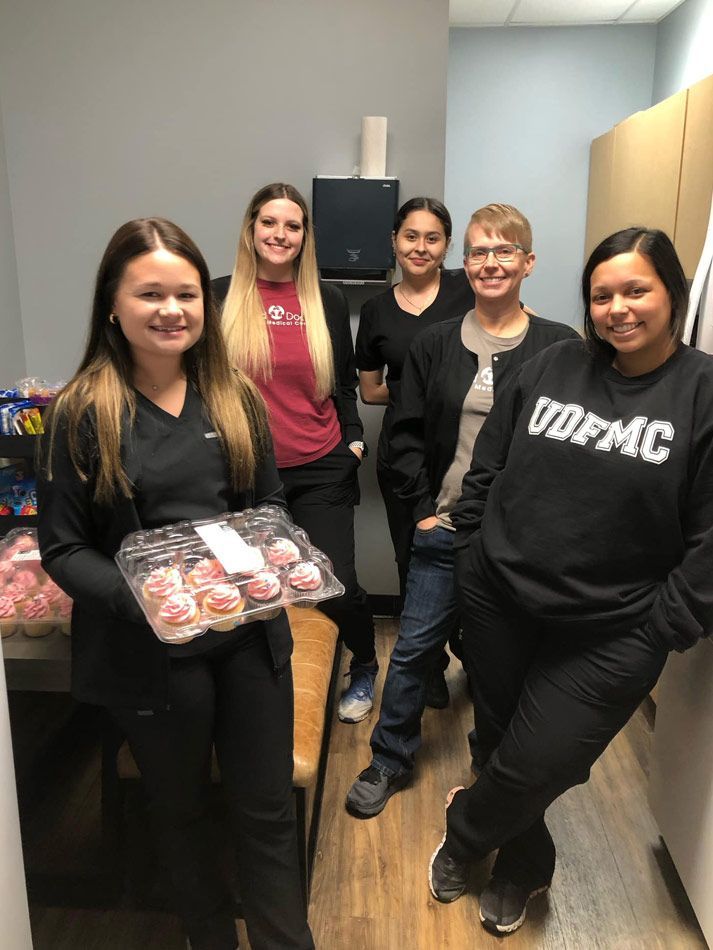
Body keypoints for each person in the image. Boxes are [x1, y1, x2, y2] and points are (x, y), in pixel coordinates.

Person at [37, 218, 314, 950]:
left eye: (186, 294)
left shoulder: (234, 399)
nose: (172, 310)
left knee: (265, 812)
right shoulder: (80, 413)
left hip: (250, 641)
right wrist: (153, 597)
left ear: (205, 304)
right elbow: (62, 548)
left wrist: (278, 558)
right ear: (112, 305)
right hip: (151, 658)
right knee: (181, 811)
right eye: (150, 293)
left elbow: (269, 507)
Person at [429, 227, 713, 937]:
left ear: (671, 294)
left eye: (635, 290)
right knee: (497, 740)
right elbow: (487, 465)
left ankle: (465, 831)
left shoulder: (702, 393)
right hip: (500, 599)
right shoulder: (552, 365)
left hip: (614, 629)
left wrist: (665, 624)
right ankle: (524, 864)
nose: (617, 308)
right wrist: (471, 548)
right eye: (601, 294)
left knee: (538, 760)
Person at [346, 204, 578, 818]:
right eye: (478, 251)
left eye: (504, 251)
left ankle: (494, 775)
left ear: (528, 262)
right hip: (445, 528)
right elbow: (404, 434)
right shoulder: (434, 343)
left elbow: (568, 448)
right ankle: (388, 760)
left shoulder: (561, 348)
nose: (490, 263)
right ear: (465, 262)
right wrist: (422, 510)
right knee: (416, 648)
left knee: (505, 660)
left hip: (518, 540)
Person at [217, 183, 377, 724]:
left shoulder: (325, 299)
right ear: (251, 228)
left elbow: (345, 381)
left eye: (292, 225)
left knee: (337, 584)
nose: (280, 234)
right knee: (258, 589)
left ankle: (365, 664)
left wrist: (353, 439)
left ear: (305, 236)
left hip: (321, 461)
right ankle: (271, 683)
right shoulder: (219, 297)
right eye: (269, 222)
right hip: (245, 475)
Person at [355, 197, 474, 709]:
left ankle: (472, 655)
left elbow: (519, 334)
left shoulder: (471, 292)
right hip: (404, 457)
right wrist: (417, 395)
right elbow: (368, 390)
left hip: (466, 453)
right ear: (394, 242)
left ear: (447, 245)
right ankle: (429, 668)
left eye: (432, 238)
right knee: (413, 563)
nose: (420, 247)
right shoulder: (379, 310)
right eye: (410, 236)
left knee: (471, 561)